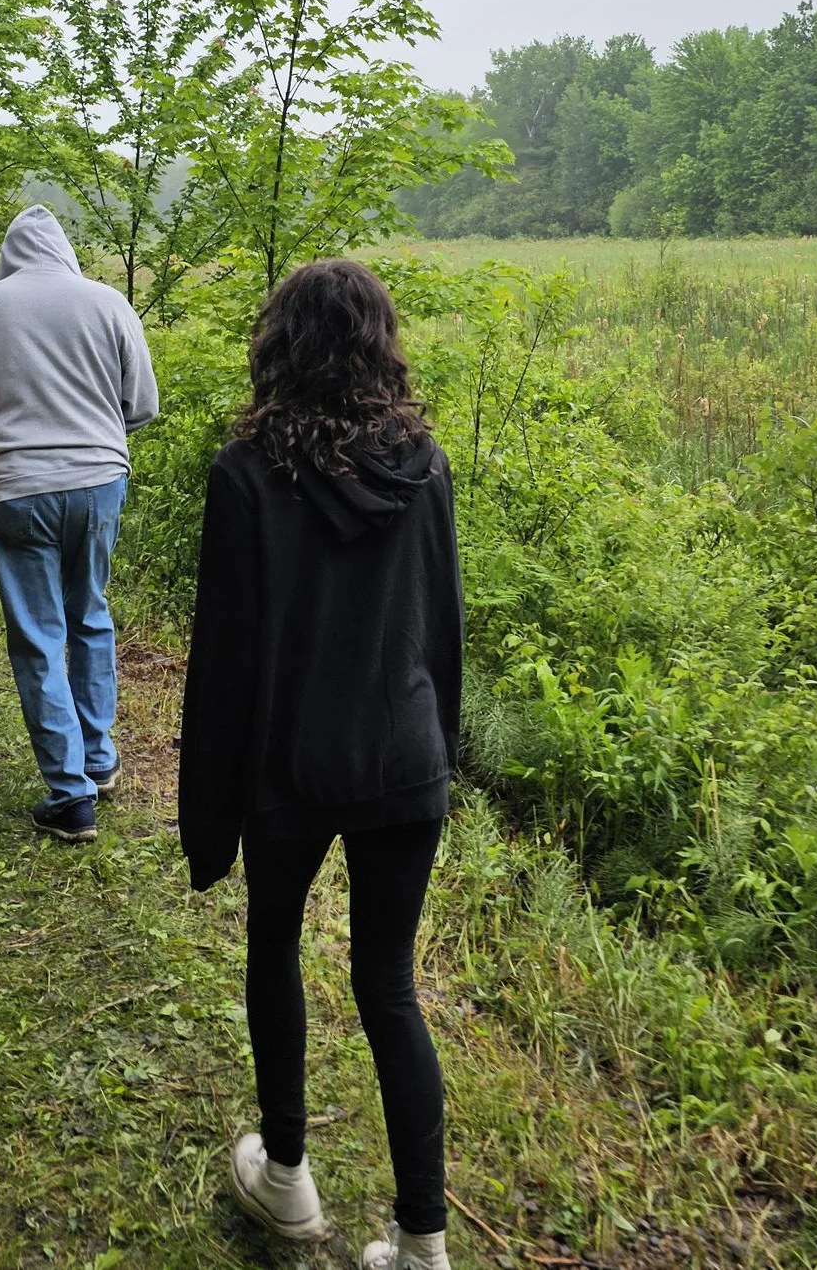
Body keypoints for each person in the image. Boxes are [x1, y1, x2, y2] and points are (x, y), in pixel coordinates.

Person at [177, 259, 463, 1270]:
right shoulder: (424, 467)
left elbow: (225, 660)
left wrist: (208, 815)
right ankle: (422, 1242)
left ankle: (287, 1179)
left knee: (274, 949)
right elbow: (441, 632)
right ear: (380, 344)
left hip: (289, 761)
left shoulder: (246, 474)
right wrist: (442, 753)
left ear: (278, 345)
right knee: (389, 987)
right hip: (401, 754)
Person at [0, 205, 157, 843]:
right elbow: (140, 405)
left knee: (38, 634)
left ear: (9, 254)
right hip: (98, 484)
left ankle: (70, 793)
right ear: (64, 249)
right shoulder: (109, 302)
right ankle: (99, 757)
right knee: (89, 612)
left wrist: (3, 451)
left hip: (15, 489)